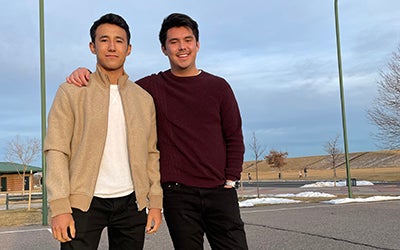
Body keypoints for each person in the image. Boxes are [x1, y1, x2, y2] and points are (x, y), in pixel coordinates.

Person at [67, 13, 248, 250]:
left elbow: (234, 136)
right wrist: (86, 74)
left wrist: (230, 179)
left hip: (219, 192)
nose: (182, 47)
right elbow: (115, 84)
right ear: (164, 49)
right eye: (174, 42)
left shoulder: (219, 87)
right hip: (178, 195)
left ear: (197, 44)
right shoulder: (150, 88)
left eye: (188, 40)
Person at [44, 13, 163, 250]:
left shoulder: (143, 99)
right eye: (104, 40)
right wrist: (59, 207)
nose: (111, 47)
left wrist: (156, 203)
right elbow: (56, 150)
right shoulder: (72, 91)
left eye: (119, 41)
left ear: (128, 49)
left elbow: (151, 153)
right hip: (83, 203)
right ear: (92, 46)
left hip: (131, 204)